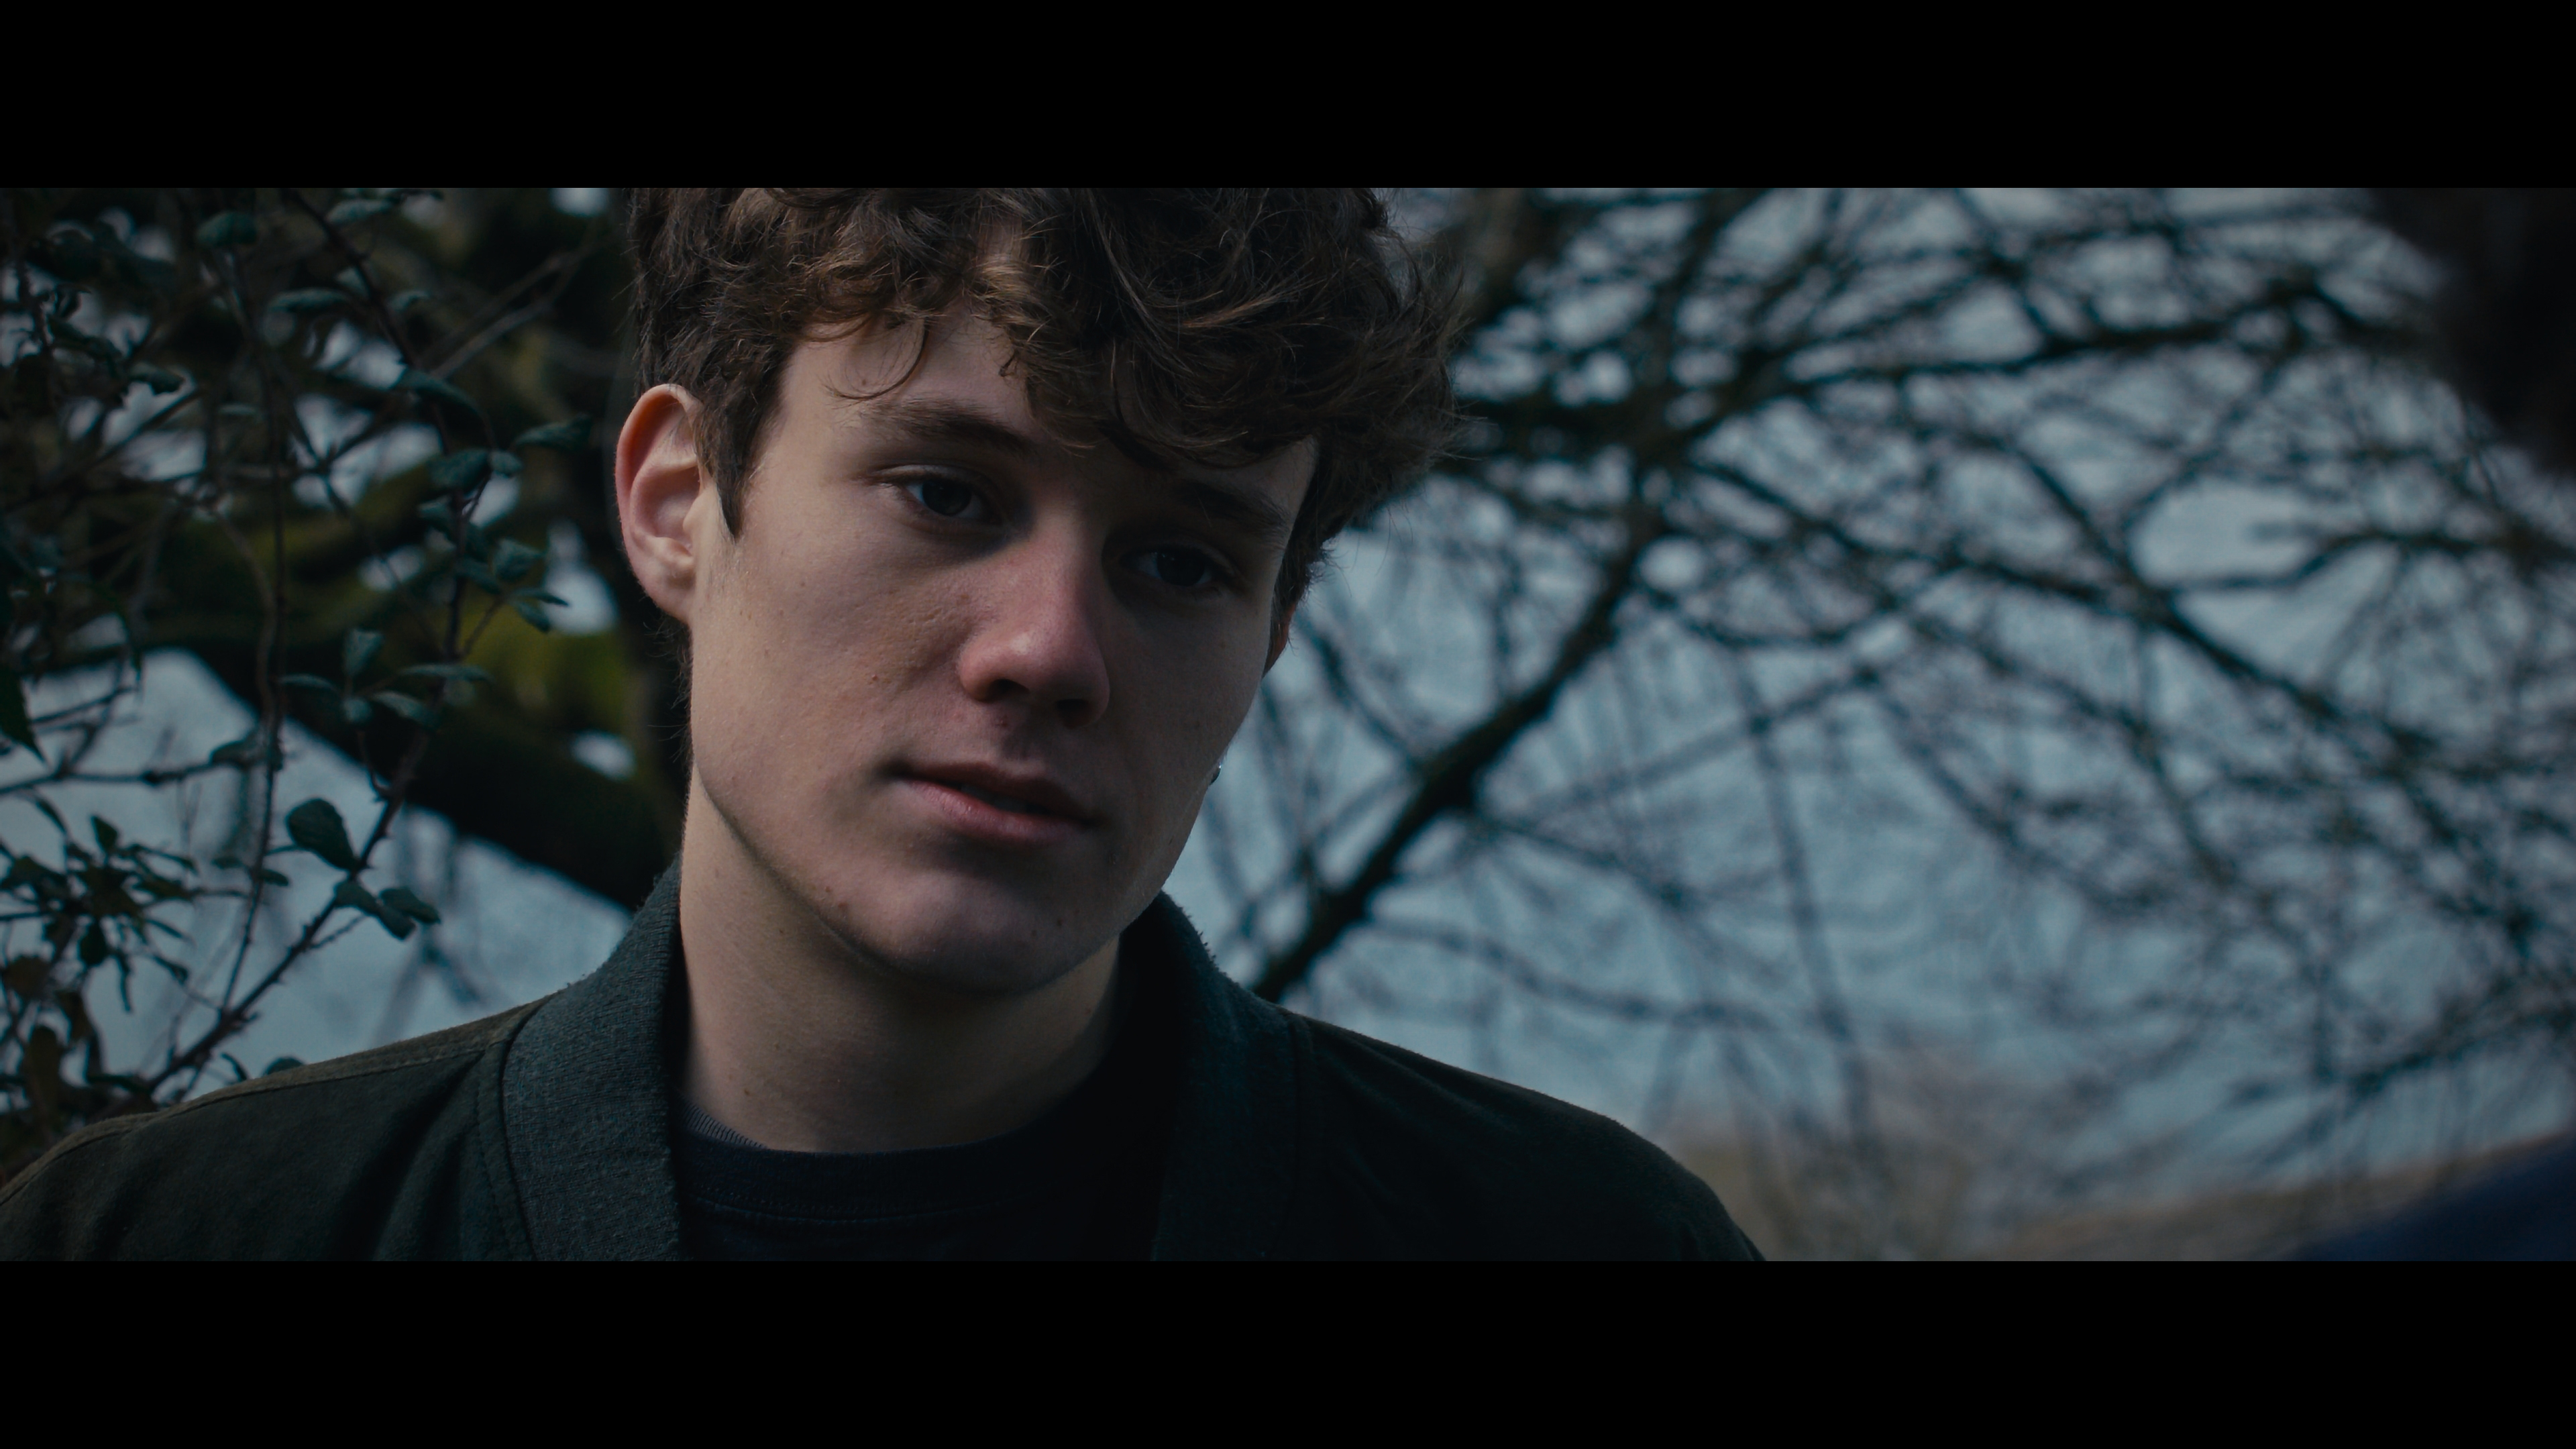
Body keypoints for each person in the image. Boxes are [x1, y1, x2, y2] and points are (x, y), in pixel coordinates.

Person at [0, 189, 1759, 1260]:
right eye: (945, 492)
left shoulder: (1577, 1241)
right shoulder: (173, 1236)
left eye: (1181, 560)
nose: (1049, 650)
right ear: (680, 502)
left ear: (1276, 628)